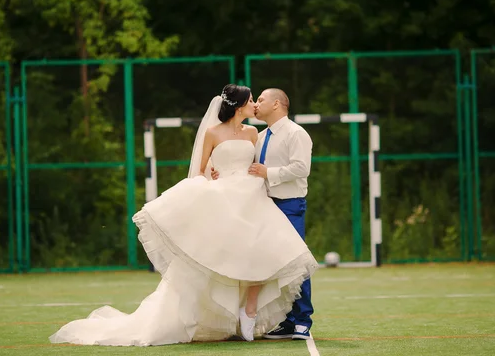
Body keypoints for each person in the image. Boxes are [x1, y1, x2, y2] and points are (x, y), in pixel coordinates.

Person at [49, 84, 318, 347]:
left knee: (271, 255)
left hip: (256, 199)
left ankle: (273, 316)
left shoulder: (258, 133)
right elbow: (206, 167)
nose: (255, 104)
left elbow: (265, 165)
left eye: (258, 99)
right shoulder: (226, 133)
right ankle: (223, 316)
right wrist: (214, 172)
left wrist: (263, 174)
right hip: (229, 199)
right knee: (222, 257)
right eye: (251, 100)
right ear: (238, 105)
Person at [212, 88, 314, 340]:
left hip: (289, 203)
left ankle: (302, 320)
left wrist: (269, 173)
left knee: (295, 260)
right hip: (262, 204)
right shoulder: (259, 135)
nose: (256, 104)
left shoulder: (296, 133)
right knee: (267, 263)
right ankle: (287, 321)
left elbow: (302, 169)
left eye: (260, 100)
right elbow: (246, 166)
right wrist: (220, 173)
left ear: (277, 104)